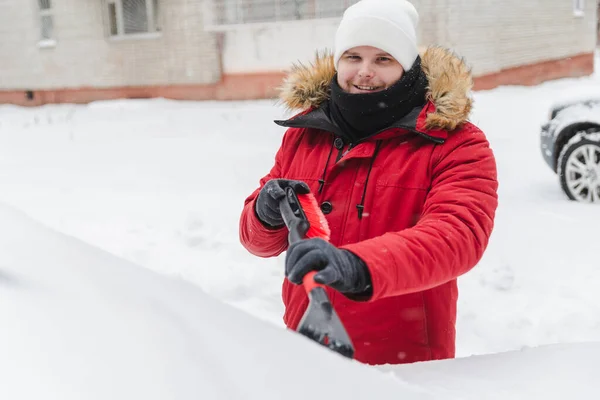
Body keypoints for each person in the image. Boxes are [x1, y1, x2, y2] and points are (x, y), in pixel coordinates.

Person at [239, 0, 498, 365]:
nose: (364, 72)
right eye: (353, 57)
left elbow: (457, 235)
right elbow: (256, 242)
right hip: (309, 353)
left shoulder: (454, 142)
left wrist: (359, 265)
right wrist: (263, 215)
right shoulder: (305, 134)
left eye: (383, 59)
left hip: (403, 367)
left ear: (408, 66)